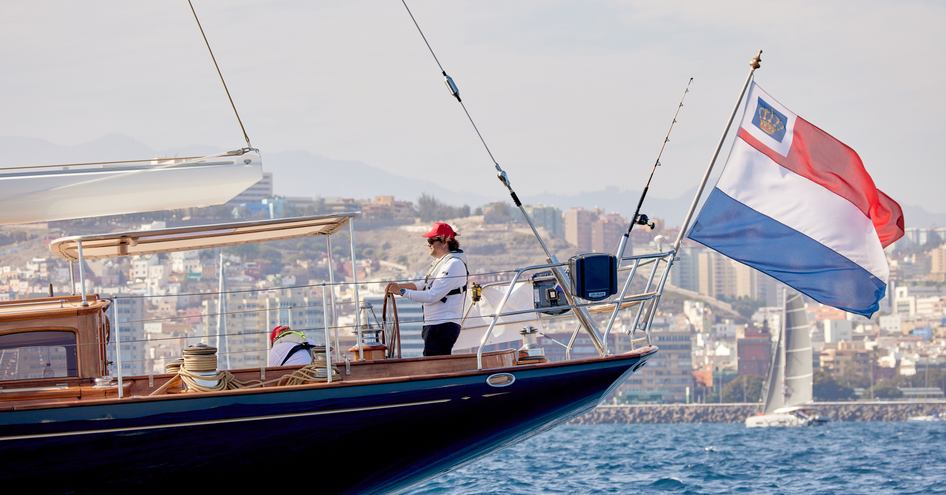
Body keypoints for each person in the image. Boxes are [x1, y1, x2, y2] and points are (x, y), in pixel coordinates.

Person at [386, 222, 468, 356]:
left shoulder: (453, 264)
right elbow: (422, 284)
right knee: (432, 361)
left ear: (444, 242)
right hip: (435, 324)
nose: (428, 244)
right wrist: (398, 286)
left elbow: (432, 296)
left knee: (435, 365)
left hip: (443, 324)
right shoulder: (442, 263)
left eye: (431, 240)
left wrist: (401, 292)